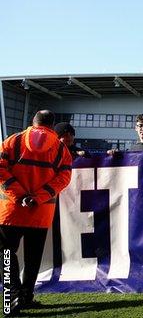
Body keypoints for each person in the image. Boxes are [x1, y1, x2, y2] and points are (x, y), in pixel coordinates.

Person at [0, 110, 73, 314]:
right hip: (41, 213)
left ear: (33, 121)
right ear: (51, 125)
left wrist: (19, 195)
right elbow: (64, 178)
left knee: (6, 253)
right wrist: (37, 197)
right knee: (33, 258)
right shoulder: (61, 149)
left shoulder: (13, 141)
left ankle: (11, 297)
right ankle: (26, 297)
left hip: (10, 211)